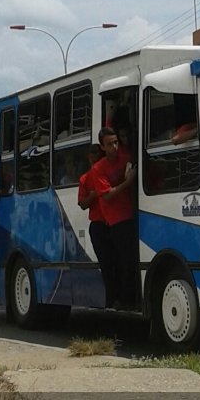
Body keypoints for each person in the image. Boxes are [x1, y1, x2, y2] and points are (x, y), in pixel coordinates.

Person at [93, 127, 138, 310]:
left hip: (133, 214)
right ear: (103, 147)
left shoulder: (125, 157)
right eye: (110, 144)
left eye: (116, 142)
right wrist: (127, 183)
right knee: (124, 261)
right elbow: (107, 196)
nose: (115, 147)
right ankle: (124, 300)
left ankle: (130, 298)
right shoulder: (98, 169)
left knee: (132, 260)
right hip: (117, 220)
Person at [78, 143, 115, 308]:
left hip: (113, 223)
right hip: (98, 226)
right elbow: (83, 204)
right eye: (92, 153)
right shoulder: (85, 178)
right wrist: (93, 195)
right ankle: (110, 300)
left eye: (98, 153)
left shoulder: (108, 173)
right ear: (88, 156)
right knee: (106, 264)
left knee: (117, 262)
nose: (95, 155)